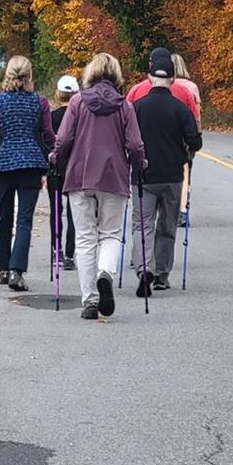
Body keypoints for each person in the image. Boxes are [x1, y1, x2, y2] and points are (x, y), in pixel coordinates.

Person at [51, 52, 147, 320]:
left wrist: (56, 159)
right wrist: (140, 164)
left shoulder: (77, 102)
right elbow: (135, 145)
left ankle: (90, 300)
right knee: (110, 234)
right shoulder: (124, 106)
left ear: (90, 73)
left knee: (84, 237)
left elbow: (64, 139)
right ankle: (106, 272)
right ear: (116, 75)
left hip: (80, 177)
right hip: (114, 177)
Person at [0, 55, 54, 292]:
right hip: (31, 165)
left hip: (3, 165)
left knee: (4, 217)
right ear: (30, 76)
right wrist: (55, 153)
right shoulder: (40, 102)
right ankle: (17, 271)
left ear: (7, 74)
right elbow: (47, 135)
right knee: (24, 219)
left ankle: (3, 268)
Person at [132, 47, 202, 290]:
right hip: (172, 176)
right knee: (167, 226)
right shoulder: (181, 109)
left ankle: (144, 268)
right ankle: (161, 274)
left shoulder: (137, 107)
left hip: (143, 175)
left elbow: (127, 139)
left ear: (150, 78)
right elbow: (196, 142)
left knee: (143, 224)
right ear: (173, 80)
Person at [47, 73, 79, 268]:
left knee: (55, 210)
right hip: (74, 167)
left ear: (58, 94)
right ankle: (69, 254)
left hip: (55, 167)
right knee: (73, 211)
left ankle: (56, 250)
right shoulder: (79, 117)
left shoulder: (51, 117)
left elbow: (46, 141)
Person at [127, 49, 202, 120]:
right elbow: (195, 120)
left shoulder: (136, 90)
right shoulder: (185, 91)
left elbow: (125, 117)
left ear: (150, 65)